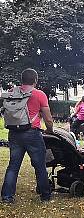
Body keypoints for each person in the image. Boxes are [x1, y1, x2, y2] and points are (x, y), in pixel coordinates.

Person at [1, 68, 54, 203]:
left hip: (14, 133)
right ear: (35, 80)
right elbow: (48, 118)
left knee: (13, 166)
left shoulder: (12, 92)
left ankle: (7, 196)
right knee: (40, 165)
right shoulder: (39, 94)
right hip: (32, 133)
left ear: (22, 80)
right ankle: (45, 195)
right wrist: (50, 130)